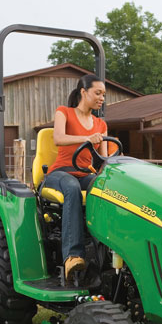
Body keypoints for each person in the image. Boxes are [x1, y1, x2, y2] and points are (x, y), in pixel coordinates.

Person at [44, 73, 108, 281]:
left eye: (104, 95)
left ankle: (105, 253)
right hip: (60, 173)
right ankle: (73, 255)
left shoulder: (101, 124)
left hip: (85, 174)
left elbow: (104, 160)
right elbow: (58, 138)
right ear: (84, 92)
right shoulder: (65, 113)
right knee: (71, 187)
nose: (102, 98)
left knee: (105, 189)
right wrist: (87, 138)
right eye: (97, 93)